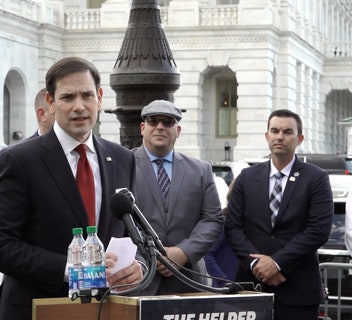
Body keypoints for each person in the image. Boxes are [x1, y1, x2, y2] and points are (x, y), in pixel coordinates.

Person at [0, 56, 145, 320]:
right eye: (68, 97)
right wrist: (72, 269)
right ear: (51, 102)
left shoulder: (122, 159)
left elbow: (134, 233)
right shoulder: (20, 160)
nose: (79, 106)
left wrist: (137, 266)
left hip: (104, 310)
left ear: (100, 98)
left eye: (87, 95)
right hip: (37, 309)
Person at [224, 109, 332, 320]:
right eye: (274, 130)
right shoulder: (246, 178)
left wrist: (277, 263)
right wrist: (257, 265)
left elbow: (318, 230)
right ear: (267, 136)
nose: (280, 136)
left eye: (287, 131)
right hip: (250, 288)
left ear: (299, 138)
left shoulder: (316, 178)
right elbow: (232, 227)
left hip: (298, 291)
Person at [131, 99, 223, 295]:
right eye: (153, 121)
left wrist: (183, 252)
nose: (160, 127)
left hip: (189, 280)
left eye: (168, 122)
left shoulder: (201, 170)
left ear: (178, 131)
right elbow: (116, 222)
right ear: (142, 127)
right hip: (139, 280)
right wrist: (148, 258)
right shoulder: (124, 166)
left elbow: (212, 219)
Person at [204, 181, 238, 288]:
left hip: (245, 289)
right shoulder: (224, 223)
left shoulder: (251, 224)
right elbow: (207, 254)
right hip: (226, 292)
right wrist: (223, 280)